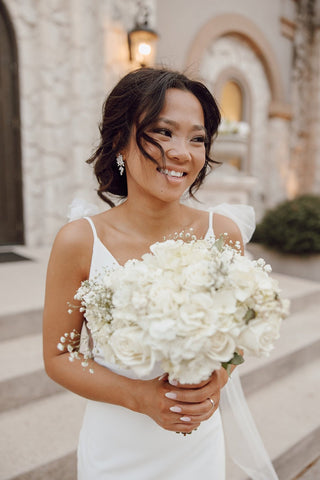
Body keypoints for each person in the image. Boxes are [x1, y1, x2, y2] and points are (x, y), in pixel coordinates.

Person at [42, 67, 274, 480]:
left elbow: (233, 342)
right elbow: (60, 357)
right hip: (115, 445)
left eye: (197, 138)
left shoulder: (222, 235)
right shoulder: (79, 241)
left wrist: (217, 379)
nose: (183, 152)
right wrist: (139, 396)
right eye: (163, 132)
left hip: (195, 444)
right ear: (119, 141)